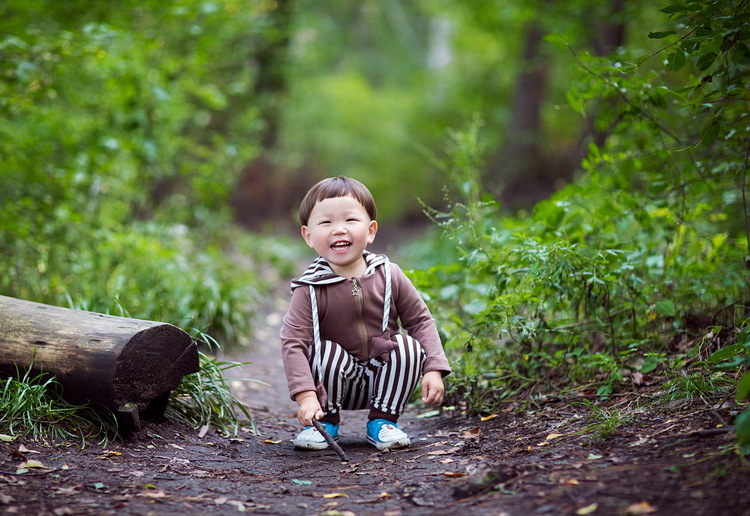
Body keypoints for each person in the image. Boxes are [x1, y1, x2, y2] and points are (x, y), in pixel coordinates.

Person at [280, 176, 451, 451]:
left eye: (350, 220)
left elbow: (420, 320)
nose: (338, 230)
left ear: (370, 231)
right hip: (335, 381)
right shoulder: (309, 288)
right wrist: (306, 397)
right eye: (326, 222)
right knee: (323, 349)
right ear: (308, 236)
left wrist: (434, 368)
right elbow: (293, 343)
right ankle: (325, 424)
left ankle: (383, 423)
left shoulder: (389, 274)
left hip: (383, 379)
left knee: (406, 346)